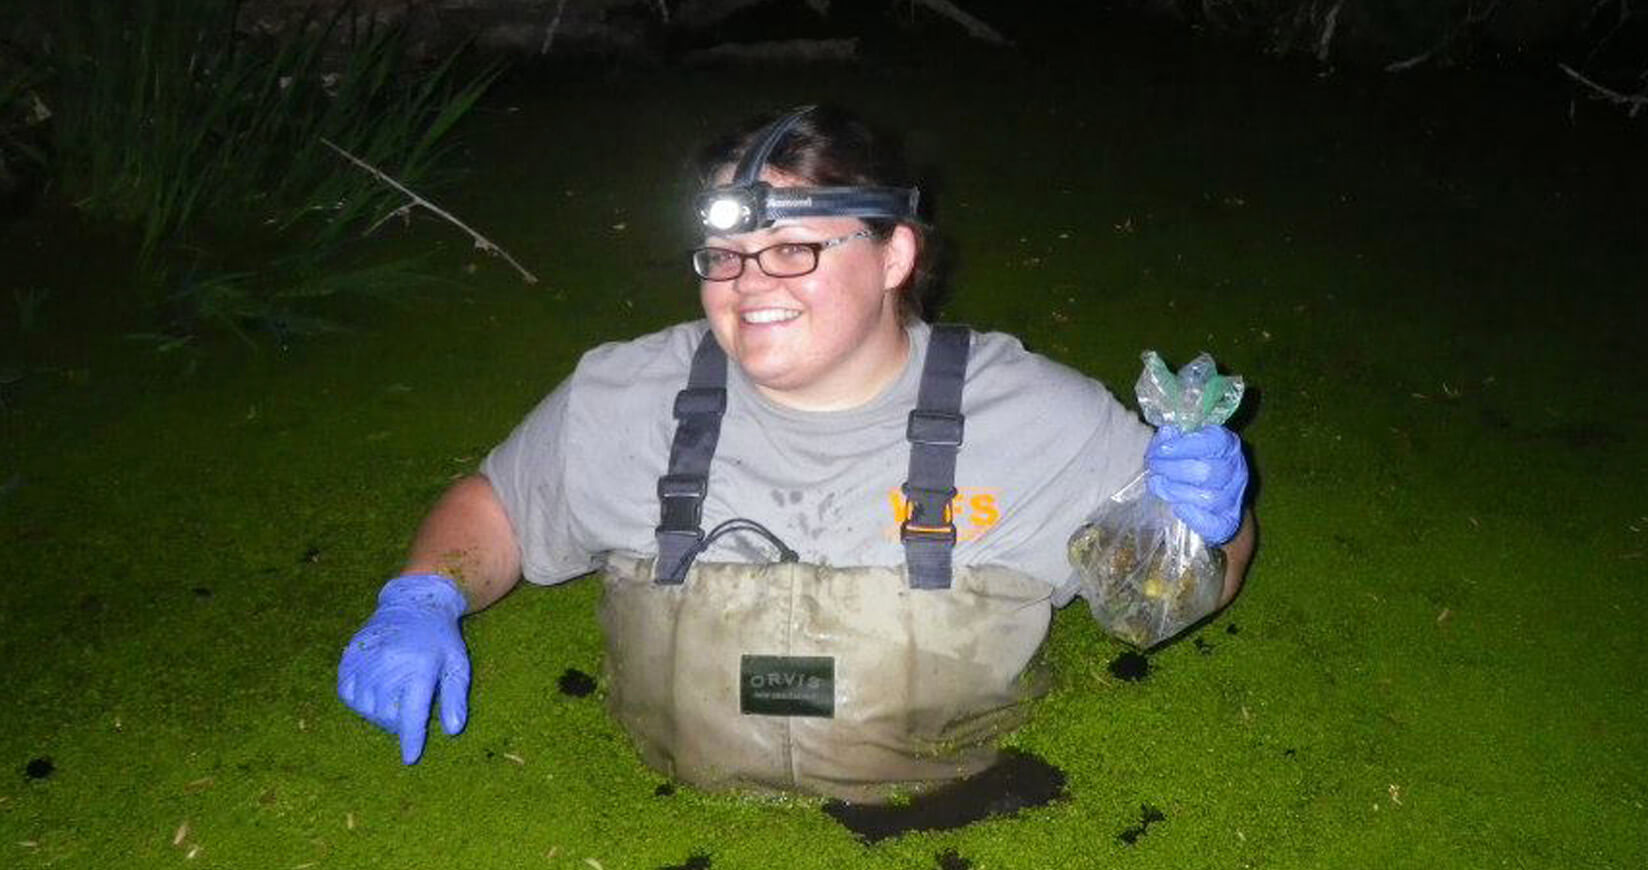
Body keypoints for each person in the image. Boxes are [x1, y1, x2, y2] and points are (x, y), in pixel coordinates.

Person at [337, 104, 1255, 802]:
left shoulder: (1037, 416)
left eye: (791, 249)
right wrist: (424, 594)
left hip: (969, 841)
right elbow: (498, 505)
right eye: (724, 254)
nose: (747, 284)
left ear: (894, 255)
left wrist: (1212, 525)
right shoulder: (624, 396)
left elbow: (1177, 591)